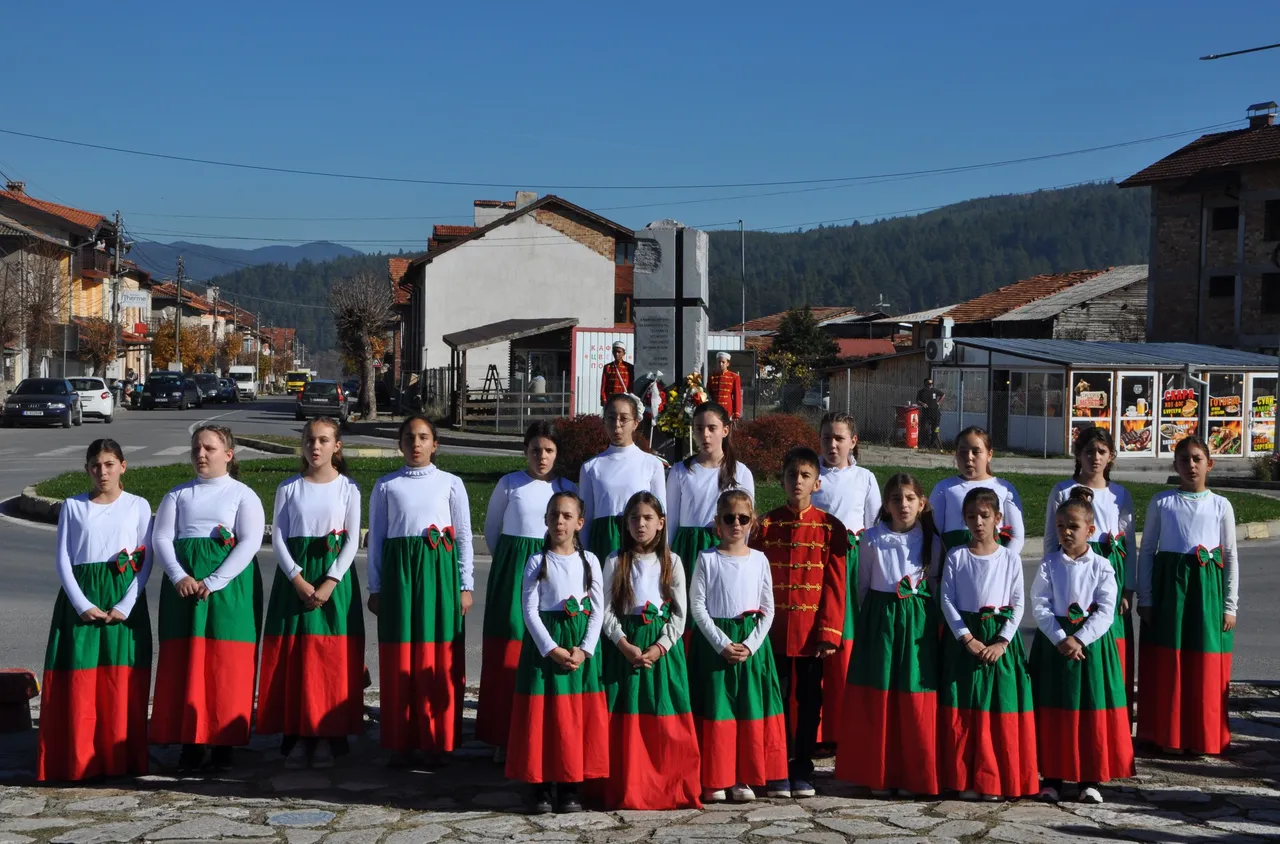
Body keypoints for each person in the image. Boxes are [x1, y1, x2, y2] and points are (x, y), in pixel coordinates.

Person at [150, 425, 266, 773]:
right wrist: (178, 575)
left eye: (210, 449)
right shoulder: (178, 495)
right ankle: (189, 738)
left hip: (230, 590)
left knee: (226, 663)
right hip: (185, 591)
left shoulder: (242, 495)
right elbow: (161, 538)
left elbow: (249, 541)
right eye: (196, 448)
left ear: (228, 455)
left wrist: (214, 580)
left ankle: (223, 740)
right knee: (187, 661)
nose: (201, 454)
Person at [37, 439, 153, 782]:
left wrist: (126, 604)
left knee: (118, 682)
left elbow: (144, 560)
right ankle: (78, 756)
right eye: (95, 466)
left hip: (123, 598)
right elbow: (63, 559)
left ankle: (119, 757)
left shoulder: (138, 506)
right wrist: (82, 603)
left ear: (122, 466)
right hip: (82, 599)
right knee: (80, 681)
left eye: (109, 464)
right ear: (87, 469)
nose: (102, 472)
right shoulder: (73, 506)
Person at [257, 418, 364, 769]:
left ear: (337, 446)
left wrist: (331, 581)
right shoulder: (289, 488)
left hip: (335, 582)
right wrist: (297, 579)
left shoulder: (348, 488)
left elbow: (351, 541)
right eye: (309, 440)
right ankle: (295, 725)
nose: (314, 447)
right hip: (297, 583)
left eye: (322, 440)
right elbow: (279, 537)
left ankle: (333, 727)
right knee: (296, 653)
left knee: (331, 656)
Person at [367, 415, 473, 766]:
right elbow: (378, 540)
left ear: (435, 444)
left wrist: (465, 584)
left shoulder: (451, 484)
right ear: (400, 443)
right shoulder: (386, 486)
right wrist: (377, 586)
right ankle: (401, 739)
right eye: (410, 437)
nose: (416, 444)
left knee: (437, 658)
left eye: (424, 437)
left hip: (438, 579)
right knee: (401, 658)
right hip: (400, 578)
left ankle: (436, 738)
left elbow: (463, 537)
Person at [834, 472, 943, 797]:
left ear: (921, 503)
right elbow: (863, 586)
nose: (904, 505)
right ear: (886, 504)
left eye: (910, 499)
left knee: (912, 699)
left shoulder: (932, 541)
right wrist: (877, 621)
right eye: (897, 499)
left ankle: (912, 773)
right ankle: (879, 774)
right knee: (881, 698)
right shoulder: (872, 539)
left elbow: (934, 585)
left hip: (917, 627)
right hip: (881, 625)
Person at [751, 446, 848, 799]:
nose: (798, 481)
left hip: (811, 636)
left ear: (817, 483)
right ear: (781, 480)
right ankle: (774, 764)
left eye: (805, 476)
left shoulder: (829, 527)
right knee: (774, 699)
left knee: (809, 702)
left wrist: (828, 633)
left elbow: (836, 587)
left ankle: (802, 765)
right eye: (792, 475)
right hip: (772, 632)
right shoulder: (765, 525)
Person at [477, 421, 576, 758]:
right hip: (514, 573)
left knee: (544, 650)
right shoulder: (510, 484)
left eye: (548, 450)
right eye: (535, 450)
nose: (542, 457)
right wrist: (512, 564)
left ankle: (541, 729)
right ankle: (504, 733)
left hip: (555, 576)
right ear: (525, 451)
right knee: (510, 649)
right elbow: (492, 531)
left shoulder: (566, 489)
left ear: (557, 453)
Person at [505, 492, 607, 815]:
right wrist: (550, 648)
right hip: (545, 652)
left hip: (578, 650)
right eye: (554, 515)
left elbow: (597, 609)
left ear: (579, 522)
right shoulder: (538, 561)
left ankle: (570, 785)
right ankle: (540, 786)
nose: (559, 521)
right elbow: (530, 610)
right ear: (546, 520)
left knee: (574, 720)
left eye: (566, 515)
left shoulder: (589, 561)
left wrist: (585, 650)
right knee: (544, 717)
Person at [1030, 488, 1134, 805]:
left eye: (1073, 526)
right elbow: (1040, 605)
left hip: (1090, 650)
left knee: (1090, 712)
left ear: (1090, 529)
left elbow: (1106, 609)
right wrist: (1062, 638)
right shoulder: (1049, 565)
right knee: (1054, 711)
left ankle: (1090, 779)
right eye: (1060, 526)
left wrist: (1081, 638)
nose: (1066, 532)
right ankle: (1052, 777)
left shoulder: (1102, 566)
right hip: (1055, 647)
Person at [1137, 435, 1238, 756]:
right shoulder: (1162, 502)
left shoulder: (1221, 505)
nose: (1190, 465)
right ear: (1175, 465)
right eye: (1184, 459)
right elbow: (1147, 552)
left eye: (1197, 459)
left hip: (1206, 595)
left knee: (1203, 667)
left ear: (1210, 463)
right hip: (1171, 593)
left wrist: (1229, 605)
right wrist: (1147, 597)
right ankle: (1166, 733)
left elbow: (1231, 556)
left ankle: (1201, 736)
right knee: (1170, 664)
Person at [600, 492, 701, 810]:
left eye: (647, 518)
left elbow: (680, 613)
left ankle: (666, 784)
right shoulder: (615, 560)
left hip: (662, 653)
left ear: (661, 523)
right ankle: (628, 783)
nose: (640, 524)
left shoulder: (673, 562)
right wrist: (622, 643)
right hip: (625, 650)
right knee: (626, 721)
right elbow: (603, 610)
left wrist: (661, 647)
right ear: (625, 523)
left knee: (664, 720)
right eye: (634, 518)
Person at [689, 490, 788, 803]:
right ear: (717, 522)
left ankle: (743, 777)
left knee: (746, 711)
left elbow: (768, 608)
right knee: (718, 712)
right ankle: (714, 777)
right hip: (715, 646)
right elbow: (698, 605)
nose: (736, 523)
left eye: (743, 518)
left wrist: (749, 644)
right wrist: (720, 643)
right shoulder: (706, 558)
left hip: (750, 648)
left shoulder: (759, 560)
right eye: (729, 518)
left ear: (752, 522)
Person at [939, 487, 1038, 800]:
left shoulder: (1008, 558)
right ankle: (966, 779)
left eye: (984, 516)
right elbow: (946, 599)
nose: (978, 522)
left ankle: (996, 780)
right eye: (971, 516)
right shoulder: (957, 556)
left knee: (997, 713)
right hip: (966, 643)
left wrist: (1002, 642)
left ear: (998, 518)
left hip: (999, 644)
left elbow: (1019, 603)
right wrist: (966, 638)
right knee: (965, 714)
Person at [1044, 427, 1135, 706]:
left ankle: (1109, 706)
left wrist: (1128, 589)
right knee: (1075, 629)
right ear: (1078, 455)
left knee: (1107, 638)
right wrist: (1052, 579)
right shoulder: (1063, 491)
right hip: (1073, 570)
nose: (1095, 457)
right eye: (1088, 451)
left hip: (1109, 573)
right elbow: (1050, 540)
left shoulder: (1119, 495)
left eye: (1101, 451)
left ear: (1111, 456)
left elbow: (1129, 546)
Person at [810, 411, 880, 746]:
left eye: (839, 438)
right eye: (827, 437)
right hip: (815, 564)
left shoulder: (864, 478)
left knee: (845, 644)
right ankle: (816, 726)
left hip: (849, 566)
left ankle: (845, 724)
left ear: (853, 441)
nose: (832, 444)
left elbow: (874, 530)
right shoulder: (811, 476)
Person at [666, 402, 754, 577]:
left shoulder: (740, 472)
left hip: (724, 545)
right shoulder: (680, 471)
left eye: (712, 428)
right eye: (699, 428)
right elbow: (671, 519)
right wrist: (667, 555)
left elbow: (746, 523)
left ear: (725, 430)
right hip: (688, 548)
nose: (705, 435)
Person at [580, 393, 666, 561]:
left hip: (640, 543)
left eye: (623, 419)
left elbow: (661, 513)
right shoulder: (591, 467)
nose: (617, 426)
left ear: (635, 423)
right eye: (611, 418)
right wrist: (583, 556)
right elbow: (586, 518)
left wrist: (663, 554)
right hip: (604, 542)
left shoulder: (651, 464)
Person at [930, 427, 1025, 555]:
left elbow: (1017, 536)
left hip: (994, 569)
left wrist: (1004, 563)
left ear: (989, 455)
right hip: (955, 569)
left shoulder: (1004, 488)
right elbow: (934, 535)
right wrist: (937, 571)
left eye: (976, 452)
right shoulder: (944, 488)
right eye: (963, 452)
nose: (969, 457)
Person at [706, 351, 744, 420]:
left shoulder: (734, 377)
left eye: (723, 362)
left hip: (727, 410)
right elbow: (708, 395)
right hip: (714, 410)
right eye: (719, 362)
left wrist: (736, 413)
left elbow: (737, 396)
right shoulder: (712, 377)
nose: (721, 364)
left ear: (728, 363)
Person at [600, 340, 634, 408]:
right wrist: (604, 399)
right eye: (615, 351)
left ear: (624, 353)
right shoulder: (607, 367)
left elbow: (631, 385)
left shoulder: (629, 367)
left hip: (624, 400)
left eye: (619, 352)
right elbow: (603, 386)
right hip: (611, 400)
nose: (617, 354)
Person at [916, 378, 944, 450]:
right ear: (925, 384)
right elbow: (917, 400)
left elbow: (943, 395)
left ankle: (933, 445)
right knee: (924, 429)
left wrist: (938, 402)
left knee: (936, 430)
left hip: (936, 415)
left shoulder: (935, 390)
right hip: (926, 415)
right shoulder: (921, 392)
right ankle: (924, 444)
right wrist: (922, 403)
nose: (930, 385)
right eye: (928, 384)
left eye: (931, 384)